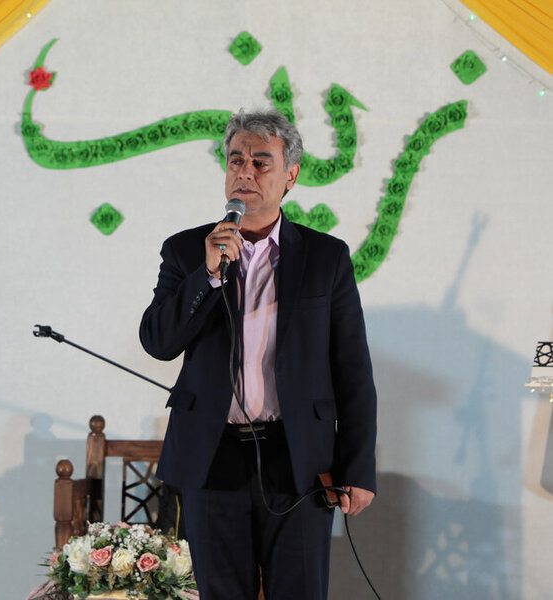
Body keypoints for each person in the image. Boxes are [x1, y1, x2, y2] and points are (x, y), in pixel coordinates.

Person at [139, 108, 377, 599]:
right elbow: (158, 342)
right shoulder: (186, 250)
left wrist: (357, 469)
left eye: (261, 162)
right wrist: (207, 275)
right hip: (212, 456)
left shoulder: (325, 257)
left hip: (297, 458)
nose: (244, 171)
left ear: (291, 175)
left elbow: (352, 368)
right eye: (235, 160)